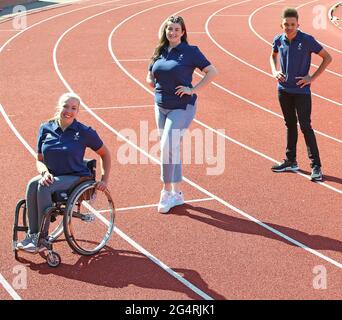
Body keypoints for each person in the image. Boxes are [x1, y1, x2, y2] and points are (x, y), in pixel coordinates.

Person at [17, 92, 111, 252]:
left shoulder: (84, 131)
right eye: (65, 106)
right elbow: (39, 160)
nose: (69, 110)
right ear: (58, 107)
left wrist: (104, 179)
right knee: (33, 184)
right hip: (54, 176)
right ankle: (32, 235)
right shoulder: (45, 127)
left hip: (77, 177)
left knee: (44, 187)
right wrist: (44, 172)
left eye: (74, 108)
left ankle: (41, 238)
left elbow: (105, 154)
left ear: (78, 111)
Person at [146, 15, 217, 213]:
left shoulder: (190, 51)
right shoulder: (159, 50)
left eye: (177, 29)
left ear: (183, 32)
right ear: (165, 31)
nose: (173, 33)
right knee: (172, 148)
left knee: (167, 146)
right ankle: (177, 193)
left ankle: (166, 192)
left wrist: (193, 89)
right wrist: (150, 81)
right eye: (170, 29)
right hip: (160, 105)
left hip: (182, 106)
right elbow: (150, 73)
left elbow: (212, 72)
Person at [270, 8, 332, 181]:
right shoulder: (278, 39)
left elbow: (327, 57)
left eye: (292, 24)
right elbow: (272, 56)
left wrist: (311, 77)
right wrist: (275, 71)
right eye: (286, 25)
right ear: (281, 24)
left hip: (301, 92)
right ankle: (291, 160)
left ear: (298, 24)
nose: (289, 27)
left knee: (305, 126)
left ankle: (316, 166)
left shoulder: (306, 40)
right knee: (289, 124)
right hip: (283, 90)